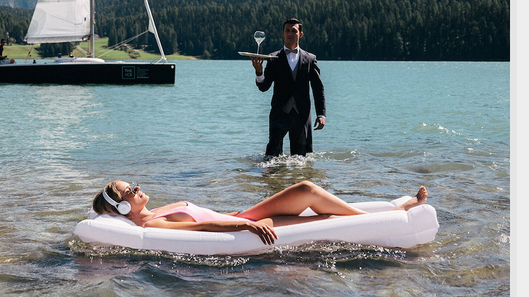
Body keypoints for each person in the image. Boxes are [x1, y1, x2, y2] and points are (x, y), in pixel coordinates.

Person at [91, 178, 425, 245]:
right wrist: (246, 228)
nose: (137, 187)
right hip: (247, 223)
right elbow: (200, 230)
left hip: (244, 214)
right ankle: (394, 214)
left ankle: (393, 210)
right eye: (129, 191)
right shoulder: (155, 224)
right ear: (122, 206)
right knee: (309, 195)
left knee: (311, 200)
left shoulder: (153, 211)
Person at [251, 18, 325, 157]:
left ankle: (298, 179)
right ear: (283, 33)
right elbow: (264, 87)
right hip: (279, 113)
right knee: (271, 156)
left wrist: (321, 114)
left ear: (300, 34)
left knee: (301, 158)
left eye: (294, 31)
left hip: (301, 114)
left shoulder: (310, 59)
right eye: (287, 30)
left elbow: (318, 88)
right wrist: (259, 72)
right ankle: (272, 178)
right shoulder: (273, 58)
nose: (290, 33)